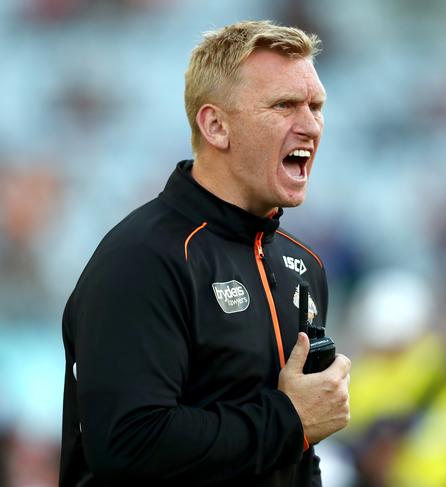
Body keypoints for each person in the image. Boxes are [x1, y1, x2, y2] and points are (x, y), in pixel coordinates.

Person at [59, 20, 351, 487]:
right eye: (285, 105)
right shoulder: (142, 259)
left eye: (316, 106)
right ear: (216, 125)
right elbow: (128, 442)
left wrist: (298, 425)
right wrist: (289, 418)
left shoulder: (303, 267)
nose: (311, 125)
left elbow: (298, 454)